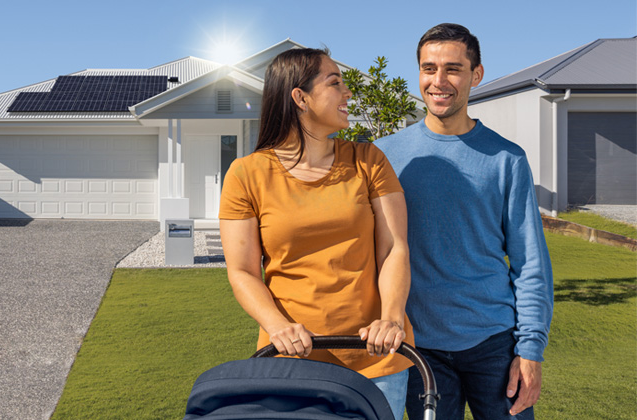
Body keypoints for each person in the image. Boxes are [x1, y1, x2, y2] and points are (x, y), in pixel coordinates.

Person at [219, 47, 414, 418]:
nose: (348, 93)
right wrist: (278, 327)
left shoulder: (368, 160)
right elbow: (242, 271)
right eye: (335, 82)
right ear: (300, 97)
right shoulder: (246, 175)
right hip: (291, 357)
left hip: (375, 359)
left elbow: (394, 249)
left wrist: (391, 318)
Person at [373, 23, 554, 419]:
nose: (438, 81)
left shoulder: (507, 159)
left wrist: (530, 349)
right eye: (428, 68)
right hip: (418, 347)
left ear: (476, 75)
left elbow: (531, 264)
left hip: (495, 344)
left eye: (452, 69)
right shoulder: (382, 157)